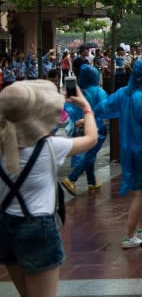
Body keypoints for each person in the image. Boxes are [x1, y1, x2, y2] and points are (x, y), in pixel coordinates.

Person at [0, 80, 97, 297]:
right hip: (38, 227)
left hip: (4, 225)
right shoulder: (50, 148)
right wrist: (86, 108)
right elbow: (91, 139)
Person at [91, 59, 142, 249]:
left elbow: (103, 107)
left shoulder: (122, 94)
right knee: (141, 192)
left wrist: (88, 116)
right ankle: (128, 236)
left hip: (129, 149)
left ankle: (141, 228)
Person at [60, 65, 109, 195]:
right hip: (96, 127)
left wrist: (77, 121)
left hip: (79, 127)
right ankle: (71, 179)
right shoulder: (99, 91)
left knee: (89, 154)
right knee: (90, 154)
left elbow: (68, 107)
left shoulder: (77, 91)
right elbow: (104, 108)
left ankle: (92, 182)